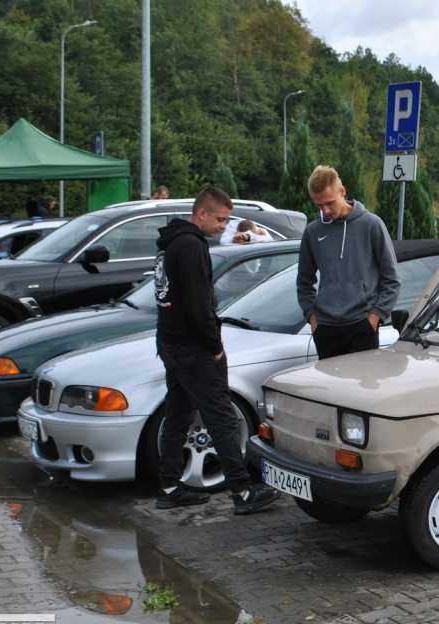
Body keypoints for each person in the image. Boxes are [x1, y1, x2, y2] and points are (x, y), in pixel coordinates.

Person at [153, 186, 280, 514]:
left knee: (178, 414)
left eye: (227, 220)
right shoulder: (192, 246)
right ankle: (241, 491)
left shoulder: (169, 244)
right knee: (221, 417)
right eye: (220, 219)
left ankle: (169, 485)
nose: (224, 226)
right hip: (194, 348)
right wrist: (215, 347)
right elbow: (198, 306)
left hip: (169, 342)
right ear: (202, 214)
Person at [297, 165, 400, 360]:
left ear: (342, 191)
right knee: (331, 390)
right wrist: (312, 317)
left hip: (363, 325)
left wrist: (376, 316)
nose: (326, 210)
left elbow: (392, 278)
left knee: (362, 388)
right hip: (325, 328)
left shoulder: (372, 224)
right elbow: (304, 281)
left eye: (329, 203)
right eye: (319, 205)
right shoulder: (312, 232)